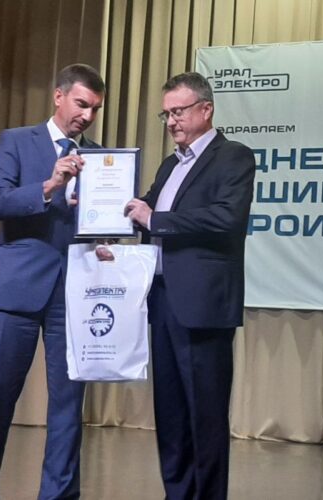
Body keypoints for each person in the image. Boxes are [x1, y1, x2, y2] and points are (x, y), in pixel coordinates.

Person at [0, 63, 105, 500]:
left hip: (74, 294)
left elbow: (99, 220)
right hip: (17, 290)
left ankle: (58, 495)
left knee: (68, 404)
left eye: (95, 109)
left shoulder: (100, 158)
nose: (87, 115)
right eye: (81, 104)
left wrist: (104, 237)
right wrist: (49, 185)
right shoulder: (17, 141)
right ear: (58, 96)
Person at [125, 72, 256, 499]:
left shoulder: (233, 157)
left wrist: (155, 219)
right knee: (171, 415)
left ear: (206, 109)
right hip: (163, 301)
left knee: (206, 416)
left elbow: (226, 218)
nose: (171, 121)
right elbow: (144, 211)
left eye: (178, 112)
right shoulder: (170, 165)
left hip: (203, 306)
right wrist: (108, 216)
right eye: (166, 114)